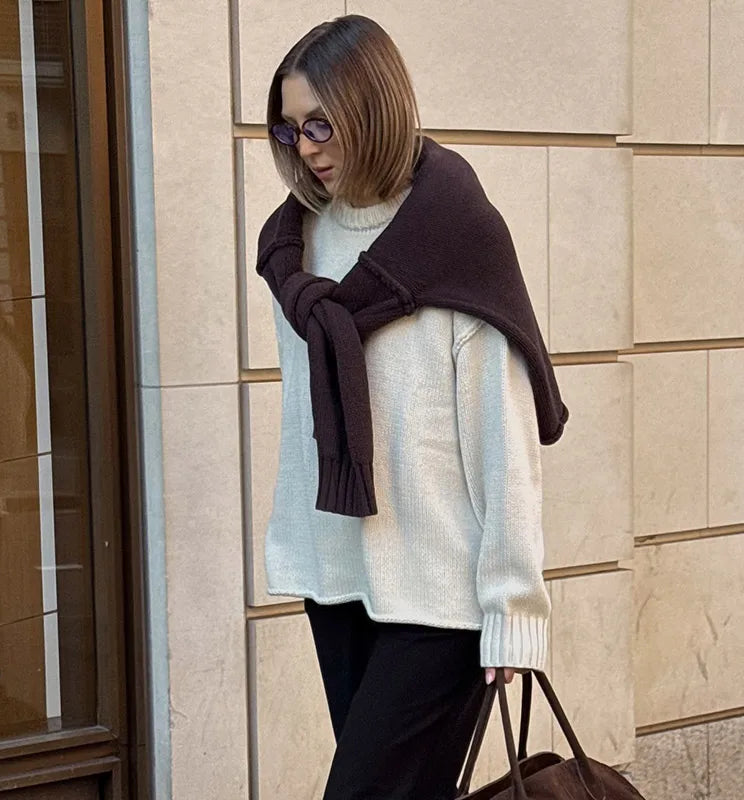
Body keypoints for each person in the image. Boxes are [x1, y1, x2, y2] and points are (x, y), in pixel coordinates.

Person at [257, 13, 564, 800]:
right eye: (290, 129)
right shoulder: (294, 252)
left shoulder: (456, 238)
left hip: (441, 601)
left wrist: (514, 608)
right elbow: (305, 423)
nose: (307, 147)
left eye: (321, 123)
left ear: (372, 107)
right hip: (338, 582)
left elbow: (503, 438)